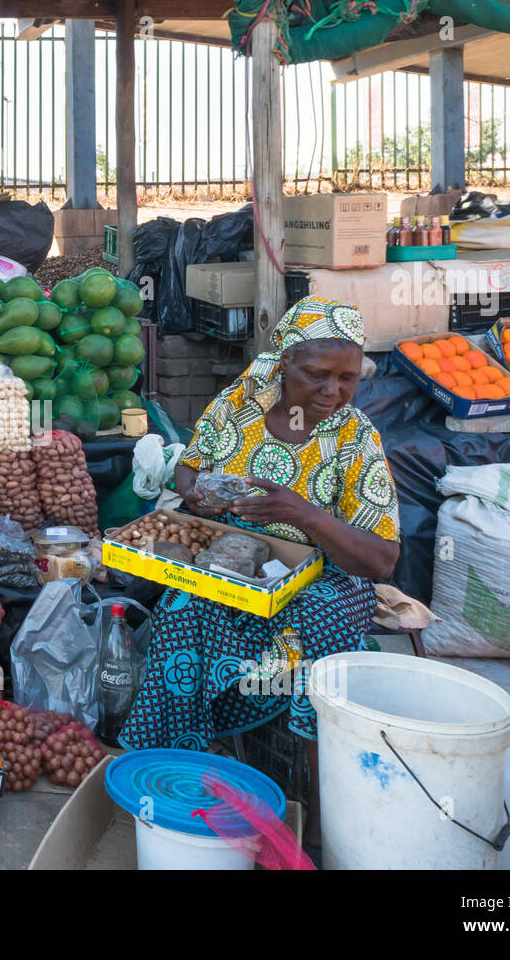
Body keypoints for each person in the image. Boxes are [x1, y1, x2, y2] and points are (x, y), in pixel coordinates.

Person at [118, 296, 400, 846]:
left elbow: (380, 559)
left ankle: (317, 818)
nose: (332, 392)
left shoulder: (355, 437)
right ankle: (180, 776)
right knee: (182, 615)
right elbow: (191, 473)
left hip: (325, 580)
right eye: (315, 375)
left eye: (347, 378)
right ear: (282, 362)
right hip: (235, 563)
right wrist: (201, 494)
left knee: (313, 636)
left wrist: (303, 513)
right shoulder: (238, 407)